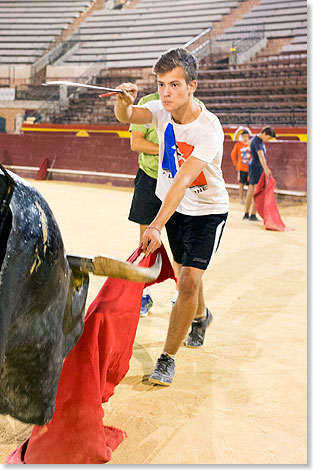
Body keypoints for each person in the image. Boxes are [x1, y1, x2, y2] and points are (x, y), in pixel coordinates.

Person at [114, 48, 229, 386]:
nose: (166, 92)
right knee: (185, 274)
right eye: (161, 84)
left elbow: (182, 180)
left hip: (206, 211)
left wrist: (155, 225)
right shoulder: (158, 110)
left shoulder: (208, 129)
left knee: (189, 279)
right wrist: (123, 100)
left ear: (192, 86)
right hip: (175, 208)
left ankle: (167, 358)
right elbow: (126, 117)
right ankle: (201, 315)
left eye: (174, 85)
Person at [129, 92, 205, 316]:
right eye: (161, 81)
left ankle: (180, 292)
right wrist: (169, 150)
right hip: (150, 177)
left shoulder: (197, 107)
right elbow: (136, 142)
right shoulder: (147, 103)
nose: (166, 87)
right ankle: (144, 293)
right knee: (147, 240)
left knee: (181, 242)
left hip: (181, 181)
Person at [243, 126, 276, 221]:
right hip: (257, 167)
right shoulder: (258, 141)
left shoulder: (254, 139)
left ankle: (246, 213)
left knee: (251, 189)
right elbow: (261, 156)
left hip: (253, 166)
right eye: (268, 138)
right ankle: (253, 214)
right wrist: (266, 169)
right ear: (264, 133)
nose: (268, 140)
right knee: (257, 190)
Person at [231, 129, 251, 204]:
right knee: (241, 183)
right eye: (244, 136)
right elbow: (233, 154)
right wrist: (236, 163)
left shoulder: (251, 144)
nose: (245, 138)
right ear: (242, 137)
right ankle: (241, 198)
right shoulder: (238, 145)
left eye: (247, 136)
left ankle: (248, 198)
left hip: (250, 168)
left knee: (250, 184)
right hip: (242, 167)